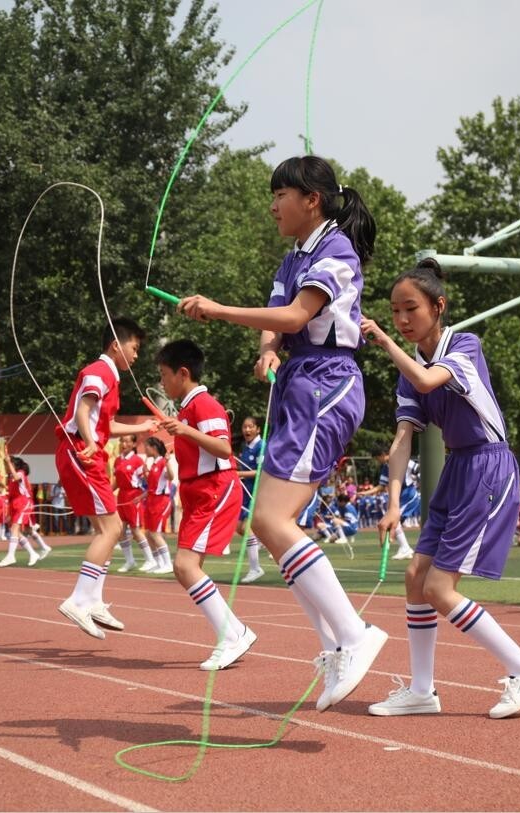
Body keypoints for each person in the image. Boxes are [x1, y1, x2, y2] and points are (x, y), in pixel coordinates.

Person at [174, 154, 386, 711]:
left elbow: (295, 318)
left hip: (326, 385)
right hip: (298, 384)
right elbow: (278, 325)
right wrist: (268, 353)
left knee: (271, 519)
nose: (271, 206)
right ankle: (335, 645)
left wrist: (218, 310)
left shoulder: (335, 252)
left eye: (279, 196)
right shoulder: (294, 255)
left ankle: (355, 634)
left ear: (310, 199)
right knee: (268, 527)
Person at [360, 259, 520, 718]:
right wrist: (391, 504)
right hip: (456, 471)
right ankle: (423, 691)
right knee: (414, 579)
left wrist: (384, 341)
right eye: (395, 313)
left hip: (488, 466)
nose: (402, 320)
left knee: (440, 588)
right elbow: (404, 437)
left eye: (411, 309)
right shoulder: (408, 371)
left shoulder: (464, 345)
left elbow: (428, 378)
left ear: (438, 306)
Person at [154, 340, 255, 669]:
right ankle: (235, 632)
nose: (161, 382)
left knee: (185, 567)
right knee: (184, 568)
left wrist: (184, 430)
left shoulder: (204, 405)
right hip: (198, 491)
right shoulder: (187, 408)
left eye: (164, 375)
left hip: (214, 488)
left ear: (182, 373)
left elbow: (224, 450)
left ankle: (233, 635)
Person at [54, 319, 157, 639]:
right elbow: (83, 412)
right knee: (112, 528)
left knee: (106, 530)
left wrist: (143, 427)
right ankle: (79, 600)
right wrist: (88, 442)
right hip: (83, 454)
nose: (136, 355)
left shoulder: (109, 376)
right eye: (134, 348)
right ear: (117, 344)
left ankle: (93, 600)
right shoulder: (100, 372)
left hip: (86, 452)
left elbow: (105, 425)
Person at [358, 450, 417, 559]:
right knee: (394, 521)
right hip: (401, 497)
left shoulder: (402, 460)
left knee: (395, 521)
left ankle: (405, 548)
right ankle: (405, 548)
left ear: (382, 455)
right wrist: (364, 493)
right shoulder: (386, 468)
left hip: (409, 495)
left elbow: (417, 469)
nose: (377, 461)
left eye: (377, 458)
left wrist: (417, 481)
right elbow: (380, 486)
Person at [0, 455, 44, 567]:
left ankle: (11, 555)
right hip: (15, 505)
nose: (6, 467)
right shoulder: (10, 478)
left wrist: (8, 462)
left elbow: (17, 478)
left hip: (23, 503)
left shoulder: (20, 472)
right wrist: (9, 513)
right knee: (15, 530)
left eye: (8, 465)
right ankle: (32, 553)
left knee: (15, 528)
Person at [113, 434, 152, 572]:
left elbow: (148, 482)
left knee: (135, 530)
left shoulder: (137, 461)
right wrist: (104, 494)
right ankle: (130, 561)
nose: (124, 444)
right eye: (122, 441)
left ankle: (150, 560)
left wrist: (142, 496)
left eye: (127, 441)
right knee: (120, 531)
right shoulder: (117, 461)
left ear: (134, 444)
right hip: (121, 497)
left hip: (133, 496)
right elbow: (116, 482)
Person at [235, 416, 266, 583]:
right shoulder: (245, 448)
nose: (247, 430)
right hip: (246, 492)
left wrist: (238, 474)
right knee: (239, 528)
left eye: (251, 427)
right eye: (245, 427)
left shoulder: (262, 446)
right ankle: (261, 540)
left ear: (258, 429)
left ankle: (255, 568)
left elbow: (260, 472)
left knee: (247, 528)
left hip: (258, 492)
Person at [139, 437, 177, 574]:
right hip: (151, 501)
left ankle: (168, 564)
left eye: (147, 446)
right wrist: (145, 474)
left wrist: (167, 463)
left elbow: (171, 477)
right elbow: (152, 487)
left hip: (161, 501)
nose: (145, 449)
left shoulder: (161, 462)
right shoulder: (154, 464)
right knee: (149, 534)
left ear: (153, 448)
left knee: (155, 533)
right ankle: (159, 563)